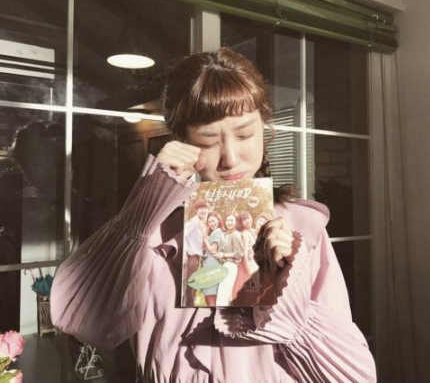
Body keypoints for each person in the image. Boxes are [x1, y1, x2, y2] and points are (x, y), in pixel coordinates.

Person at [51, 47, 377, 382]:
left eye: (245, 134)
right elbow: (84, 324)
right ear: (182, 140)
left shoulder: (301, 229)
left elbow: (353, 376)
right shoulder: (152, 231)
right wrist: (147, 202)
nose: (230, 159)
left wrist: (286, 293)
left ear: (265, 128)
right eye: (208, 141)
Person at [214, 212, 244, 306]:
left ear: (236, 222)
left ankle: (220, 311)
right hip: (224, 265)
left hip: (231, 265)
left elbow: (239, 253)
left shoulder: (236, 235)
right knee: (224, 293)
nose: (229, 222)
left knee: (224, 293)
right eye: (227, 220)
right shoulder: (225, 234)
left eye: (232, 220)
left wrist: (223, 255)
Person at [183, 199, 209, 306]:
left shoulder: (201, 223)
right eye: (201, 208)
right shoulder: (193, 222)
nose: (204, 211)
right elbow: (183, 235)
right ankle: (188, 305)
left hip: (197, 258)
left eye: (205, 208)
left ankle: (191, 303)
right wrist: (184, 252)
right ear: (196, 210)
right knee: (190, 283)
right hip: (191, 258)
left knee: (194, 284)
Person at [200, 211, 225, 307]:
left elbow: (213, 250)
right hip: (210, 264)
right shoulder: (214, 233)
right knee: (209, 295)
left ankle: (211, 314)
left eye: (213, 221)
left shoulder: (217, 232)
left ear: (218, 220)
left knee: (211, 295)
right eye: (209, 222)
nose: (211, 223)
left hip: (211, 265)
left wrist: (205, 238)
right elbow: (203, 247)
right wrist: (206, 234)